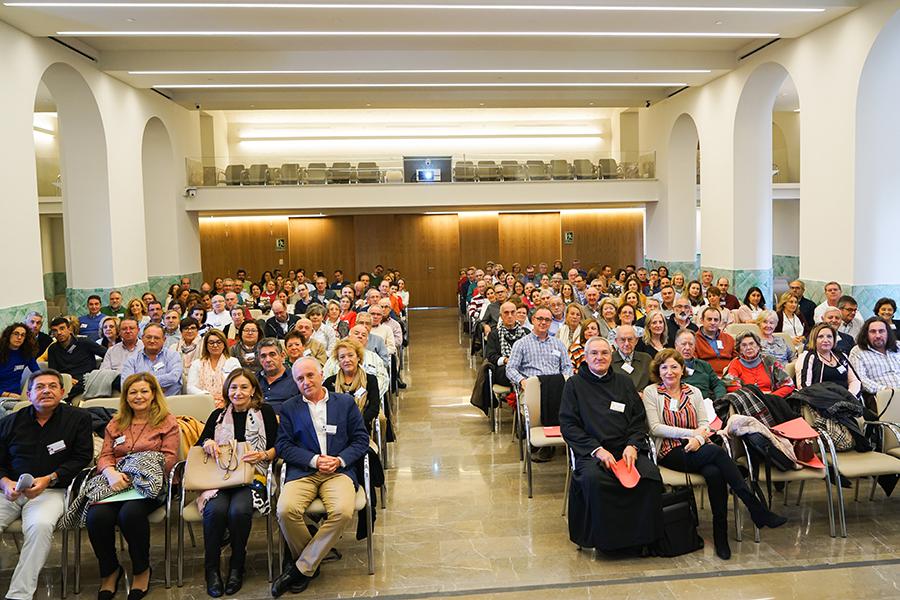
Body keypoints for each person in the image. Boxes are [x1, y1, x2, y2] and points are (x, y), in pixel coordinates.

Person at [643, 349, 787, 560]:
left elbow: (704, 424)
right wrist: (693, 435)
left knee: (714, 473)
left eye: (674, 366)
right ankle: (754, 507)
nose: (669, 372)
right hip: (670, 449)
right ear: (658, 370)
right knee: (717, 453)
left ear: (682, 369)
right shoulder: (651, 392)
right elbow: (655, 428)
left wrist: (699, 439)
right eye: (664, 367)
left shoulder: (694, 392)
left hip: (700, 446)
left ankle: (722, 536)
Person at [270, 358, 370, 597]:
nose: (306, 382)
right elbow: (283, 445)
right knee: (285, 510)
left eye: (310, 375)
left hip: (338, 471)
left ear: (321, 373)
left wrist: (339, 460)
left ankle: (299, 568)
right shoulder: (290, 407)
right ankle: (309, 563)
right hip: (304, 471)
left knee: (343, 511)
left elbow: (361, 440)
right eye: (300, 379)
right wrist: (313, 460)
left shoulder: (345, 403)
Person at [559, 336, 663, 554]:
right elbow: (569, 426)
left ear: (611, 355)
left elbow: (638, 419)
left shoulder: (624, 382)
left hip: (625, 449)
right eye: (594, 353)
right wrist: (596, 450)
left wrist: (633, 445)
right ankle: (608, 543)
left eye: (604, 353)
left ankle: (642, 539)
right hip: (592, 452)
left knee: (650, 476)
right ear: (585, 358)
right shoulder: (574, 385)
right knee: (595, 481)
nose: (600, 357)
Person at [0, 369, 93, 600]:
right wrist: (5, 483)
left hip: (52, 489)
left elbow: (82, 458)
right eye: (40, 387)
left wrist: (50, 477)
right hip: (10, 490)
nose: (47, 391)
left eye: (53, 386)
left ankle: (19, 595)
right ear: (29, 394)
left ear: (62, 392)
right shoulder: (10, 422)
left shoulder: (78, 419)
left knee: (40, 526)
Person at [87, 372, 179, 600]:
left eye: (144, 391)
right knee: (96, 517)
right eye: (133, 392)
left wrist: (134, 473)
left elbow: (168, 459)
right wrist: (110, 473)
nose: (138, 396)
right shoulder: (116, 423)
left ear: (153, 394)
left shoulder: (167, 421)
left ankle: (141, 569)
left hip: (151, 483)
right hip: (116, 483)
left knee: (130, 515)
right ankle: (110, 570)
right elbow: (105, 455)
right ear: (126, 397)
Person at [196, 369, 277, 598]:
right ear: (227, 390)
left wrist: (262, 455)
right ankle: (211, 569)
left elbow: (277, 447)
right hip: (220, 479)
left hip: (253, 476)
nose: (238, 392)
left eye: (243, 387)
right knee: (214, 511)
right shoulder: (218, 416)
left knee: (239, 511)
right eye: (233, 387)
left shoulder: (265, 413)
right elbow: (200, 441)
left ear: (253, 390)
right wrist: (209, 442)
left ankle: (236, 566)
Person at [323, 339, 381, 433]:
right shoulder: (329, 382)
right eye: (342, 357)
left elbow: (374, 407)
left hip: (361, 427)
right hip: (336, 429)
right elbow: (325, 408)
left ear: (358, 357)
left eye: (350, 355)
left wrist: (357, 422)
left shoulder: (370, 380)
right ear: (338, 361)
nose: (347, 360)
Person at [47, 316, 107, 400]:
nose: (59, 333)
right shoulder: (52, 349)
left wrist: (101, 370)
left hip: (87, 380)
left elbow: (108, 355)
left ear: (69, 329)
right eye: (55, 331)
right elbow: (53, 372)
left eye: (62, 328)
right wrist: (67, 379)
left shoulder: (84, 342)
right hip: (66, 382)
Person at [723, 331, 794, 397]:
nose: (748, 348)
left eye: (751, 344)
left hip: (772, 399)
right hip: (748, 401)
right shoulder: (735, 363)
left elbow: (788, 384)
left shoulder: (769, 360)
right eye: (744, 345)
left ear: (758, 346)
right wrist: (753, 398)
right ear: (740, 349)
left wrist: (771, 397)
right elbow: (732, 386)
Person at [796, 323, 861, 396]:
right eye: (820, 337)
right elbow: (804, 387)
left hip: (846, 398)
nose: (825, 340)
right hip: (821, 400)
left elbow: (854, 381)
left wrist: (850, 396)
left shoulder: (841, 355)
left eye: (829, 336)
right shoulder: (807, 357)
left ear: (834, 339)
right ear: (814, 339)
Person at [121, 324, 184, 396]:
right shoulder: (132, 360)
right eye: (148, 337)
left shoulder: (173, 356)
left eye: (156, 338)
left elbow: (173, 378)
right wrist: (160, 386)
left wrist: (140, 383)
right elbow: (126, 384)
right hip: (140, 402)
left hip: (169, 401)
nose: (152, 341)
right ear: (142, 338)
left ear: (164, 340)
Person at [187, 329, 241, 409]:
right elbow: (190, 388)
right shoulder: (197, 364)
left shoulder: (233, 362)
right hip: (202, 403)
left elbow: (238, 384)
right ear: (206, 345)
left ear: (224, 344)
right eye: (211, 343)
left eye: (219, 342)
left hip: (229, 403)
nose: (215, 345)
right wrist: (207, 396)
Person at [849, 317, 900, 395]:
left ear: (887, 332)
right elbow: (861, 379)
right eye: (873, 332)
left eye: (881, 331)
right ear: (866, 334)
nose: (878, 335)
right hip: (882, 396)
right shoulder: (857, 351)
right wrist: (885, 390)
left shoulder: (898, 345)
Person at [484, 301, 529, 388]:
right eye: (506, 313)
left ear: (516, 314)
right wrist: (506, 360)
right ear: (501, 316)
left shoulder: (526, 332)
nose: (510, 316)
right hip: (504, 369)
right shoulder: (494, 334)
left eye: (512, 312)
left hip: (525, 366)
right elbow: (491, 356)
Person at [674, 330, 727, 400]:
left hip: (705, 403)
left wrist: (720, 399)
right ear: (676, 346)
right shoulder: (671, 367)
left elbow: (718, 384)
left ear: (695, 346)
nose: (687, 348)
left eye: (691, 344)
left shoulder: (704, 365)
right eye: (683, 344)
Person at [256, 338, 300, 415]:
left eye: (272, 354)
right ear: (259, 359)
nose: (268, 360)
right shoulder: (254, 380)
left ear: (282, 356)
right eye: (263, 356)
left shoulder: (296, 378)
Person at [0, 324, 39, 401]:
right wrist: (8, 395)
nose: (19, 337)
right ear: (8, 335)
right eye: (16, 334)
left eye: (23, 335)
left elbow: (38, 373)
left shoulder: (26, 354)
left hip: (17, 396)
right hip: (3, 396)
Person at [694, 308, 735, 376]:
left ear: (719, 322)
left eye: (716, 320)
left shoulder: (729, 338)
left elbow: (737, 359)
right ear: (702, 320)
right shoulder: (694, 339)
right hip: (706, 376)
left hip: (729, 375)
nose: (713, 323)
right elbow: (694, 363)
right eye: (709, 319)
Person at [611, 325, 652, 392]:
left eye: (630, 339)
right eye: (622, 340)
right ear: (616, 341)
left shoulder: (646, 359)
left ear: (636, 341)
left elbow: (653, 383)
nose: (626, 343)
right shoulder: (609, 360)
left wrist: (645, 393)